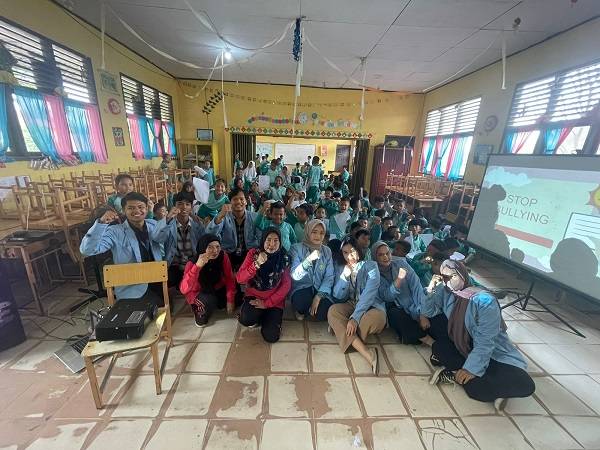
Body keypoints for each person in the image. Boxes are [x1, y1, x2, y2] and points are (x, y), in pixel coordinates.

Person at [424, 260, 535, 407]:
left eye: (453, 276)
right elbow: (428, 311)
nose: (448, 281)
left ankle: (460, 375)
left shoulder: (484, 300)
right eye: (445, 277)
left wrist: (471, 369)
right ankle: (486, 385)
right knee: (439, 347)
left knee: (525, 384)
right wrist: (431, 289)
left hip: (493, 352)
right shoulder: (446, 292)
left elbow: (486, 341)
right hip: (464, 346)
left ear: (463, 275)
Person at [80, 192, 163, 302]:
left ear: (147, 209)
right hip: (133, 288)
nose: (137, 211)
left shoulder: (153, 224)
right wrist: (101, 223)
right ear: (124, 210)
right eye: (131, 208)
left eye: (140, 207)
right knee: (141, 312)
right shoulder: (115, 232)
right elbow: (87, 250)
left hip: (158, 282)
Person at [327, 236, 385, 375]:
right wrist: (344, 277)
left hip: (372, 306)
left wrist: (354, 318)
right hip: (352, 304)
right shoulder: (342, 268)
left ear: (358, 251)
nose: (349, 256)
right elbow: (337, 295)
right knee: (333, 311)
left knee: (369, 321)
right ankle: (367, 353)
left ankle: (342, 332)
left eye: (352, 251)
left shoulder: (371, 266)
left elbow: (368, 295)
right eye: (345, 253)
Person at [237, 227, 291, 342]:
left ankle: (266, 316)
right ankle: (259, 315)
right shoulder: (253, 254)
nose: (272, 244)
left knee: (271, 336)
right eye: (268, 240)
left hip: (274, 301)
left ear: (280, 242)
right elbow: (240, 279)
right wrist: (256, 264)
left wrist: (267, 304)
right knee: (246, 319)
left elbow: (286, 285)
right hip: (254, 297)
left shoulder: (284, 257)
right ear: (263, 240)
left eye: (276, 240)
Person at [372, 241, 432, 346]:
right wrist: (399, 280)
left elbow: (416, 286)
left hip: (412, 302)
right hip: (393, 306)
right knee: (396, 315)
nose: (385, 257)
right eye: (380, 255)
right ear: (375, 257)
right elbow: (387, 296)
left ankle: (412, 334)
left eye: (387, 253)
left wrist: (422, 313)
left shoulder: (401, 264)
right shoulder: (374, 273)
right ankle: (426, 339)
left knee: (431, 317)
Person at [180, 234, 237, 326]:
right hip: (198, 291)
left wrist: (230, 300)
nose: (215, 250)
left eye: (217, 246)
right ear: (203, 248)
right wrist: (197, 267)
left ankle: (216, 302)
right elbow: (184, 289)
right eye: (210, 247)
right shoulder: (192, 263)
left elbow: (229, 277)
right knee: (207, 306)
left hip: (215, 286)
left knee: (236, 295)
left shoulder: (222, 255)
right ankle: (197, 306)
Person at [151, 193, 205, 288]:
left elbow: (205, 239)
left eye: (187, 204)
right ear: (174, 206)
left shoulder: (196, 224)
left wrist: (196, 220)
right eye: (180, 204)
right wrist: (168, 217)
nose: (184, 207)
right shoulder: (168, 224)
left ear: (191, 207)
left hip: (193, 264)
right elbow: (156, 237)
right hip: (174, 265)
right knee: (164, 285)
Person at [289, 219, 335, 321]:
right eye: (314, 232)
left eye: (321, 233)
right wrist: (308, 260)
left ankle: (311, 307)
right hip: (302, 287)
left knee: (324, 311)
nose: (318, 236)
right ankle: (300, 309)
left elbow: (329, 276)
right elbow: (295, 275)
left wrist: (319, 296)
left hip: (319, 287)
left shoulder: (327, 251)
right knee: (302, 303)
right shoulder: (296, 248)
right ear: (308, 232)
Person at [206, 188, 260, 270]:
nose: (238, 202)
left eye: (241, 199)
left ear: (246, 201)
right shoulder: (224, 216)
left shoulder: (254, 217)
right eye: (235, 199)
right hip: (228, 254)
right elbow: (210, 235)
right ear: (230, 202)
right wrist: (220, 216)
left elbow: (261, 237)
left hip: (249, 254)